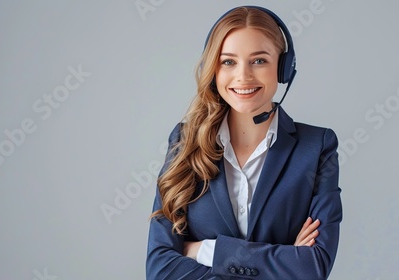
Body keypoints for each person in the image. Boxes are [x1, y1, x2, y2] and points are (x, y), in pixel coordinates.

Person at [146, 6, 342, 280]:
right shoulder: (185, 141)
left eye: (259, 61)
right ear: (213, 69)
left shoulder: (317, 147)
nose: (243, 76)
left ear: (284, 68)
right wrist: (283, 262)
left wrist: (206, 251)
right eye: (228, 62)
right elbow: (160, 269)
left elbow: (313, 267)